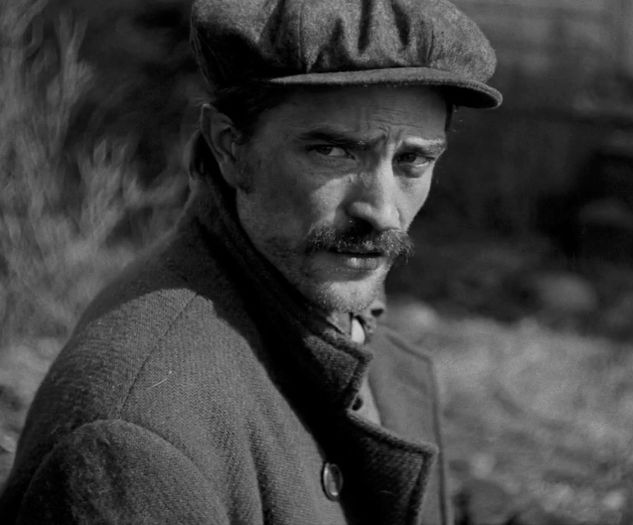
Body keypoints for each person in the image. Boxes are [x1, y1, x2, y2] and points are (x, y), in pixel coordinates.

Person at [0, 0, 501, 523]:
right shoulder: (135, 436)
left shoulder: (326, 302)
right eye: (332, 152)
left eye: (413, 160)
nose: (380, 211)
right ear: (230, 147)